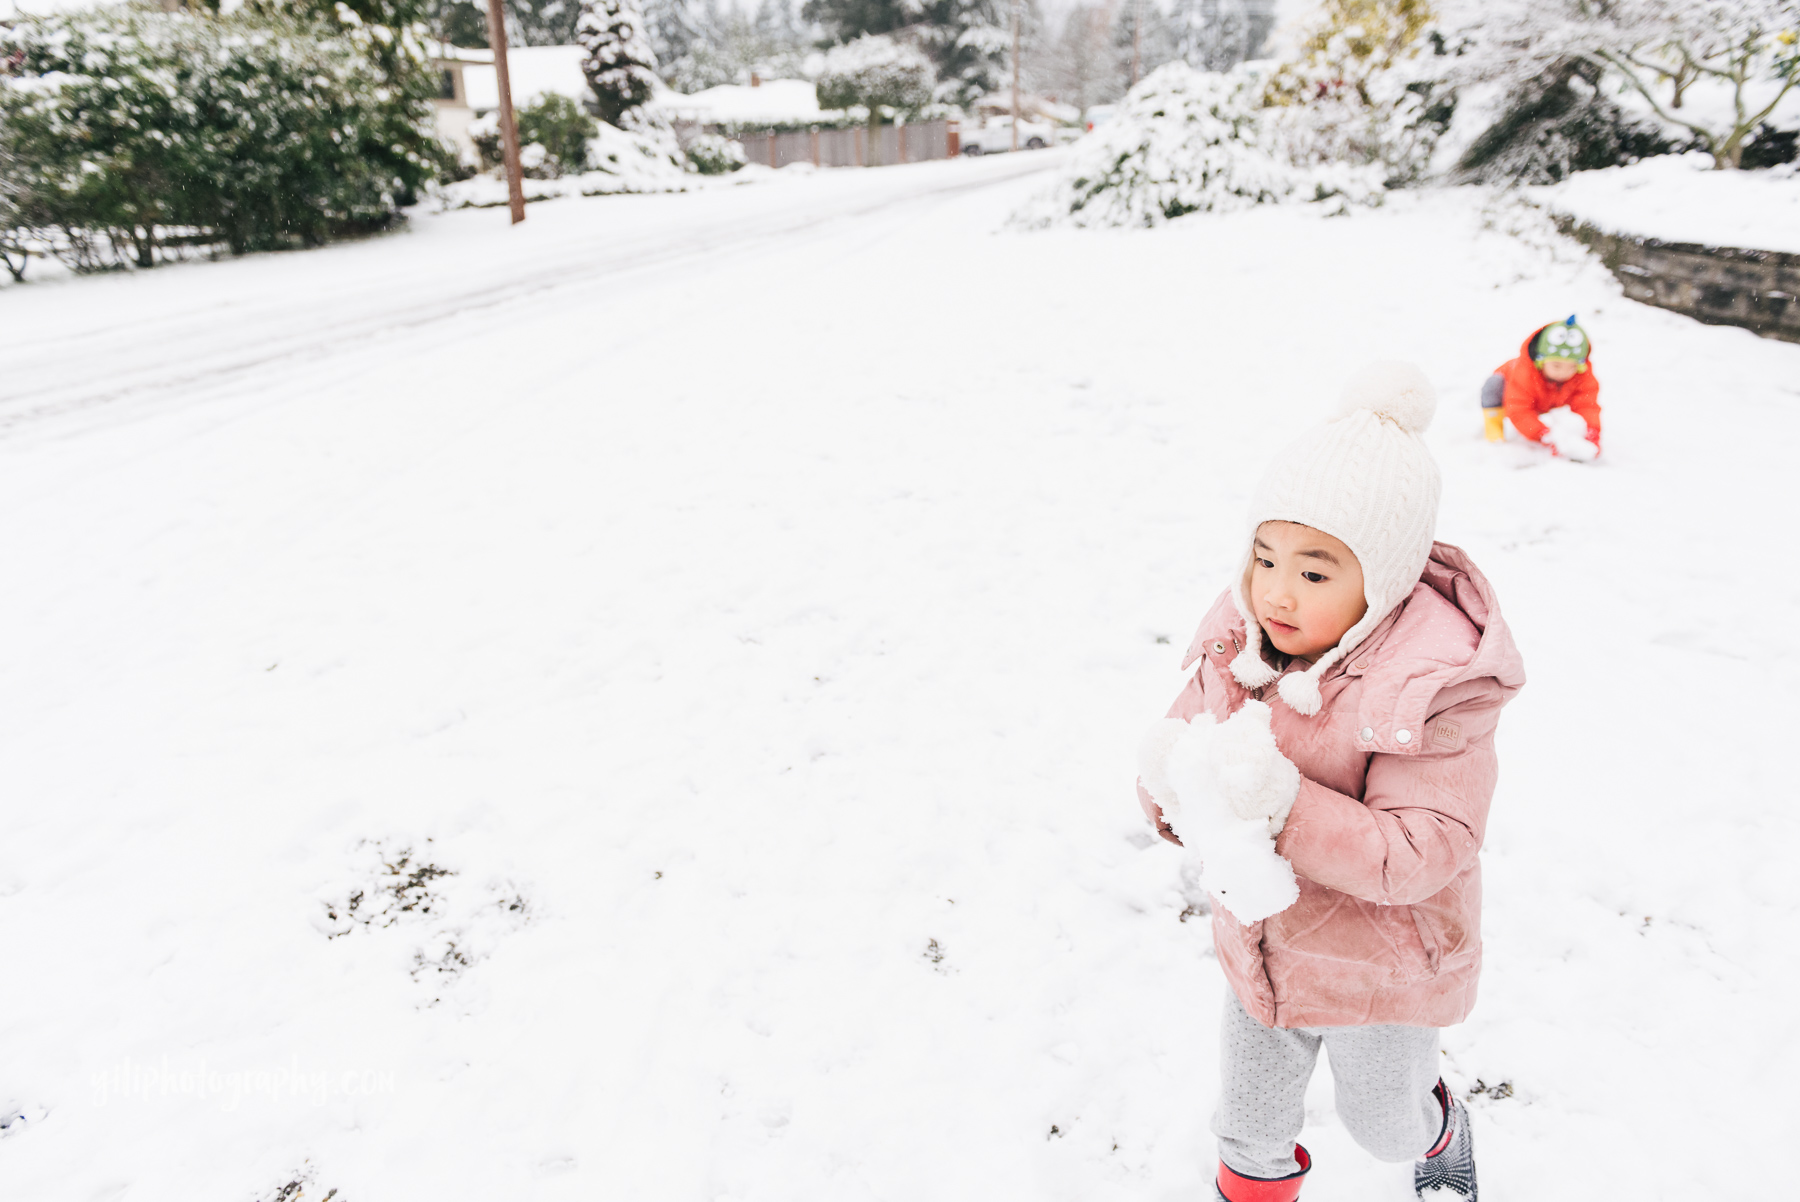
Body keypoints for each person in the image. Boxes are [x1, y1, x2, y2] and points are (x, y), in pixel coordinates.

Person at [1136, 363, 1526, 1202]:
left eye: (1315, 573)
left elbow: (1423, 852)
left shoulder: (1437, 687)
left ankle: (1440, 1126)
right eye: (1265, 557)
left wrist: (1278, 802)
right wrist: (1171, 786)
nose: (1275, 591)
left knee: (1382, 1126)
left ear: (1380, 583)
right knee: (1248, 1128)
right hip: (1265, 952)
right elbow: (1188, 737)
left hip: (1382, 972)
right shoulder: (1239, 639)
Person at [1480, 316, 1601, 455]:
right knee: (1493, 386)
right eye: (1556, 366)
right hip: (1509, 396)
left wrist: (1592, 433)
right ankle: (1494, 427)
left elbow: (1587, 406)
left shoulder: (1582, 377)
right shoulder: (1524, 375)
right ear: (1541, 361)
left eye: (1572, 367)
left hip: (1546, 402)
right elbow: (1519, 410)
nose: (1564, 372)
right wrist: (1543, 435)